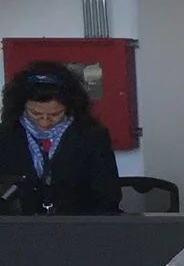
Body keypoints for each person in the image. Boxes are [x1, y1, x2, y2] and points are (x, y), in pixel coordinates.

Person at [0, 61, 121, 216]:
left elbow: (108, 195)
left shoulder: (91, 136)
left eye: (55, 115)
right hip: (17, 229)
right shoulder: (5, 136)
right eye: (35, 114)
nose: (44, 122)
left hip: (77, 227)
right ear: (20, 106)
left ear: (70, 107)